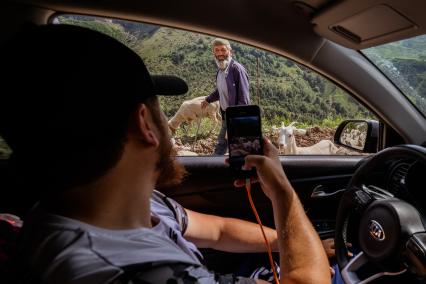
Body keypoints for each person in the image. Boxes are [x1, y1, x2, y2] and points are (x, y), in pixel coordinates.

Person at [0, 24, 330, 283]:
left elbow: (219, 231)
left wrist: (287, 245)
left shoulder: (137, 205)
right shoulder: (133, 273)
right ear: (145, 124)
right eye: (159, 110)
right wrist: (282, 192)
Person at [201, 38, 250, 155]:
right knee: (234, 147)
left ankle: (216, 165)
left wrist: (234, 123)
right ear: (213, 53)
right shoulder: (220, 71)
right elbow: (220, 90)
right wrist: (208, 100)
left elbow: (244, 99)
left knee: (224, 145)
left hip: (234, 117)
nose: (220, 53)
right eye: (217, 50)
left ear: (230, 51)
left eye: (223, 50)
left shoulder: (236, 69)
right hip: (226, 114)